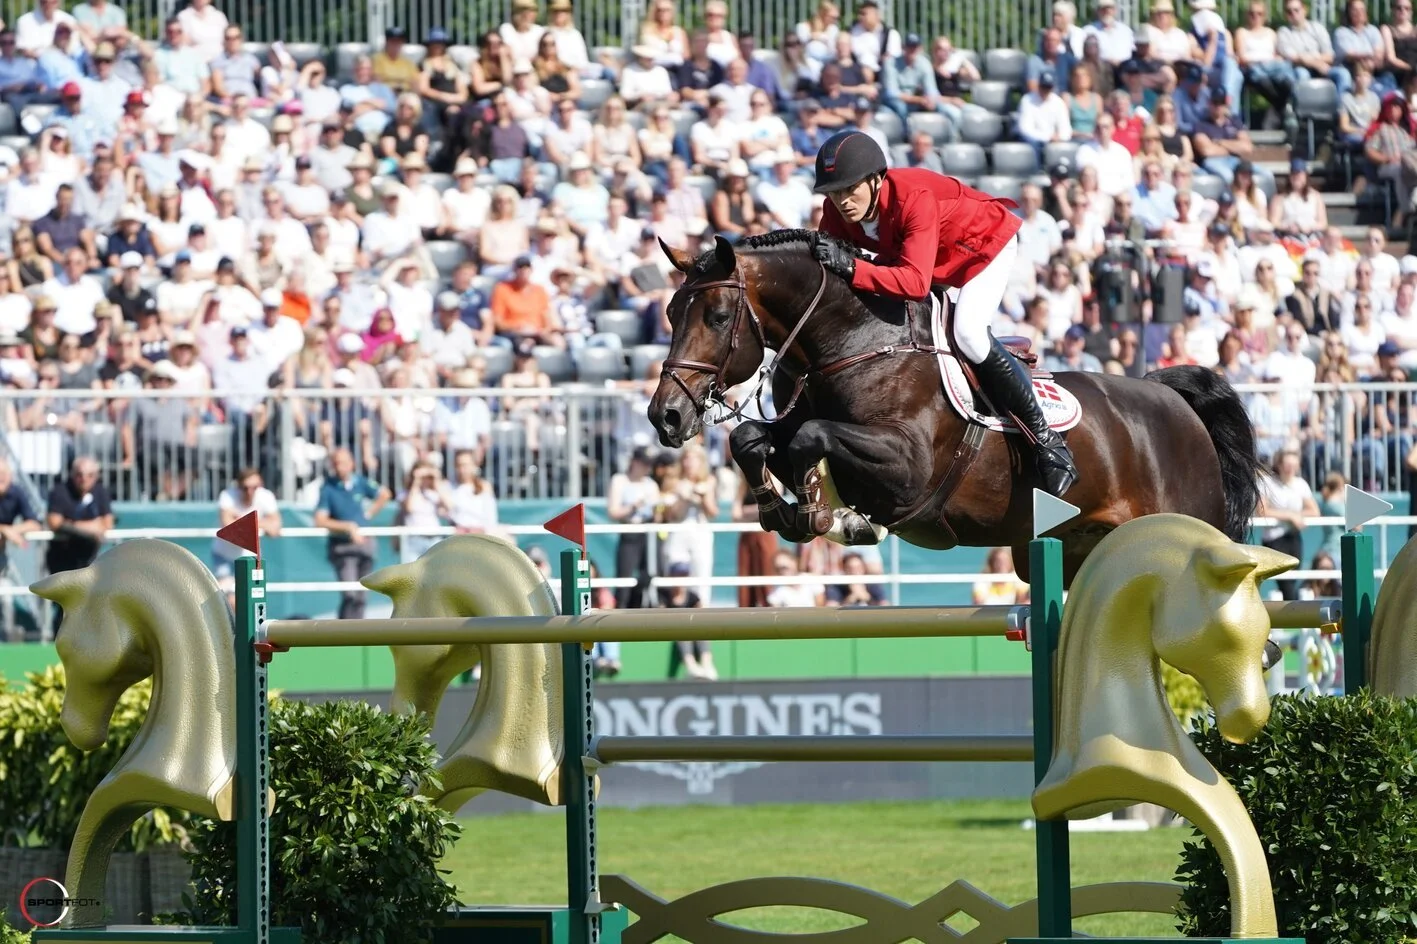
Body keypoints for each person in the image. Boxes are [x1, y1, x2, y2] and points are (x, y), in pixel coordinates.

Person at [809, 129, 1078, 496]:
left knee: (967, 332)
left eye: (848, 189)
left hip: (983, 249)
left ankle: (1047, 441)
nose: (841, 201)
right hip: (930, 260)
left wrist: (854, 268)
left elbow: (915, 283)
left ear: (875, 180)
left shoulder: (912, 198)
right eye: (833, 192)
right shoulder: (837, 213)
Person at [313, 446, 391, 619]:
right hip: (343, 548)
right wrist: (348, 527)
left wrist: (368, 514)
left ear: (352, 464)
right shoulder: (328, 488)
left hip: (365, 544)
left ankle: (358, 636)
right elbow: (320, 520)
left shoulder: (360, 482)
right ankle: (344, 634)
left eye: (344, 462)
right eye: (337, 463)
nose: (340, 467)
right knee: (350, 595)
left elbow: (384, 494)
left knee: (362, 595)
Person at [44, 455, 113, 634]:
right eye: (80, 474)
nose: (84, 479)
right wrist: (90, 526)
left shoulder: (100, 491)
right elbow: (54, 522)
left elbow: (107, 524)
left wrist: (72, 524)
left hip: (89, 560)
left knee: (89, 605)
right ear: (73, 475)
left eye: (90, 475)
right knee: (65, 606)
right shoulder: (60, 491)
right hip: (62, 560)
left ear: (96, 476)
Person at [213, 467, 282, 581]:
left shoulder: (266, 496)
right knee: (228, 595)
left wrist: (241, 520)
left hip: (250, 557)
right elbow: (228, 526)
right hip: (224, 555)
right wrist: (262, 523)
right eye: (245, 488)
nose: (250, 492)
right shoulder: (227, 495)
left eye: (255, 487)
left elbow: (275, 528)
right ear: (238, 485)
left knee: (250, 595)